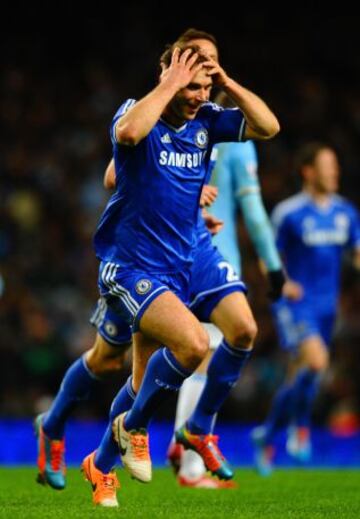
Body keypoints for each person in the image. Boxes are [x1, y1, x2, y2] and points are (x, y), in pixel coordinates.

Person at [36, 30, 279, 506]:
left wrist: (224, 82)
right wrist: (171, 85)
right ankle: (60, 425)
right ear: (169, 73)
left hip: (184, 257)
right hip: (130, 263)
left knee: (176, 360)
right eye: (194, 78)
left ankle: (111, 456)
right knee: (121, 358)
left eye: (209, 75)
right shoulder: (137, 113)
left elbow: (269, 127)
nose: (201, 89)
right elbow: (122, 147)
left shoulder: (209, 119)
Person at [168, 95, 285, 489]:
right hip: (215, 258)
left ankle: (179, 445)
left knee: (192, 349)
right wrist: (272, 265)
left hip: (172, 253)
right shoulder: (236, 142)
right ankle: (191, 464)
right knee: (208, 354)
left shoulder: (179, 133)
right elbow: (252, 213)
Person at [251, 142, 360, 476]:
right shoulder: (289, 213)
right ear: (308, 171)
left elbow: (356, 253)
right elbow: (267, 253)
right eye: (328, 165)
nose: (335, 171)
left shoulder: (346, 212)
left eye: (336, 165)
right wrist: (282, 282)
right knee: (316, 362)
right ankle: (300, 429)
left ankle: (267, 435)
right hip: (297, 304)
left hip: (328, 307)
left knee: (303, 375)